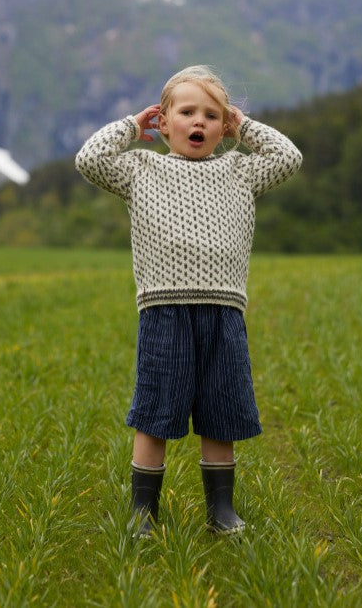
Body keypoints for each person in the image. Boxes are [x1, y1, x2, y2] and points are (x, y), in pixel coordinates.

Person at [75, 65, 302, 536]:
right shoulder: (140, 168)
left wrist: (247, 128)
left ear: (224, 127)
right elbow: (89, 159)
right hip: (164, 312)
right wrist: (130, 127)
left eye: (211, 115)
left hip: (224, 312)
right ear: (164, 121)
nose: (198, 122)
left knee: (221, 414)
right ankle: (144, 513)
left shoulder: (241, 170)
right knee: (156, 413)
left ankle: (221, 512)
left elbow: (289, 156)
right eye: (187, 112)